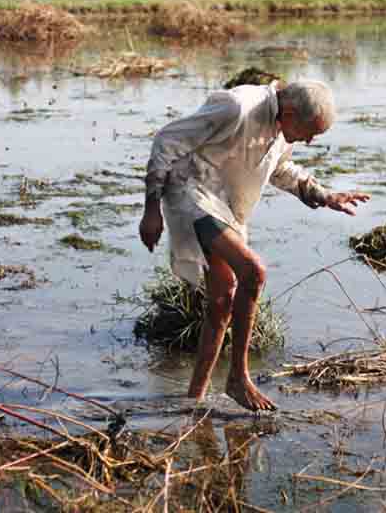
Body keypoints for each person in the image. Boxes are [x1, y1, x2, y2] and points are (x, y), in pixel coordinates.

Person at [139, 80, 369, 412]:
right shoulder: (238, 107)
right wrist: (151, 209)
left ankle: (193, 400)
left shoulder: (280, 127)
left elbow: (280, 169)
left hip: (224, 204)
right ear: (289, 112)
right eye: (309, 132)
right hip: (189, 191)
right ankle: (238, 377)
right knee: (253, 272)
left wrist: (325, 195)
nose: (309, 140)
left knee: (222, 298)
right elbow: (167, 140)